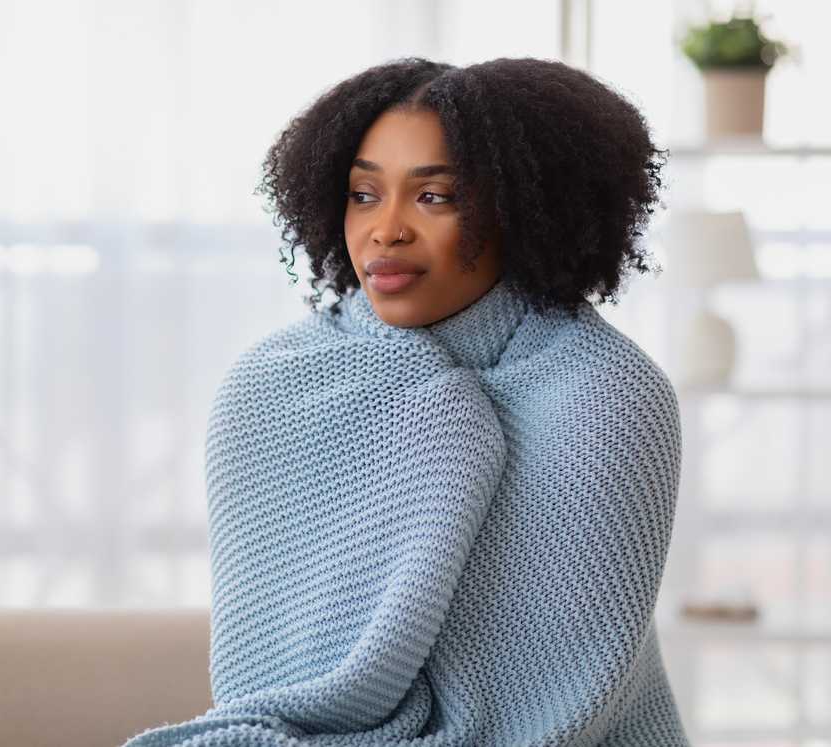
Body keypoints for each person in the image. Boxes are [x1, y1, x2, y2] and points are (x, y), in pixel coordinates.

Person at [124, 56, 687, 746]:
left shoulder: (607, 396)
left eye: (435, 197)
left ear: (524, 209)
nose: (385, 230)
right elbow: (264, 690)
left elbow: (554, 716)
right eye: (364, 194)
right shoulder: (272, 388)